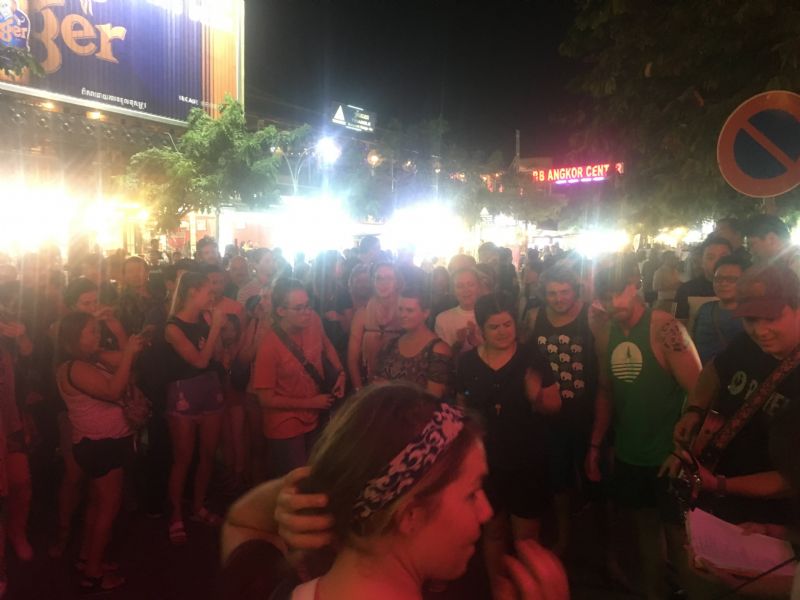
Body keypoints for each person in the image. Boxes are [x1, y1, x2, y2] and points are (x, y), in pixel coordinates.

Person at [221, 383, 569, 600]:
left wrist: (301, 493)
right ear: (410, 515)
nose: (487, 511)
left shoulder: (269, 588)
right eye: (472, 493)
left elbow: (242, 523)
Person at [586, 256, 701, 600]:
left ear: (635, 285)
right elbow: (605, 391)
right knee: (647, 539)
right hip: (631, 454)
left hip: (668, 457)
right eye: (604, 297)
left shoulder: (666, 328)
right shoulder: (605, 332)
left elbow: (700, 395)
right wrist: (595, 444)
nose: (612, 303)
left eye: (617, 293)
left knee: (683, 545)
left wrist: (682, 452)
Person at [455, 292, 561, 590]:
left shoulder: (532, 358)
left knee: (526, 539)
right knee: (493, 532)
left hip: (526, 460)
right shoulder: (468, 363)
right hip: (486, 463)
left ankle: (530, 592)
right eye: (494, 326)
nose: (503, 332)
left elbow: (556, 406)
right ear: (481, 328)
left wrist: (536, 397)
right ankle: (499, 589)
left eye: (507, 324)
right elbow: (461, 408)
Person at [55, 312, 145, 592]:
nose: (97, 336)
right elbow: (112, 390)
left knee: (96, 504)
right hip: (101, 445)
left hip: (103, 443)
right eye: (91, 331)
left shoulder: (91, 360)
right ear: (74, 337)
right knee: (108, 507)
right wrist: (128, 352)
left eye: (97, 330)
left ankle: (87, 556)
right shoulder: (74, 368)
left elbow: (128, 363)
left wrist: (120, 335)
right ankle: (93, 573)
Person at [522, 265, 601, 556]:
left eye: (564, 292)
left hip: (586, 413)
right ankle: (565, 538)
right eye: (552, 293)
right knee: (558, 481)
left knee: (595, 480)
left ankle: (601, 546)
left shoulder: (591, 316)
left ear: (574, 290)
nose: (558, 299)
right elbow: (525, 357)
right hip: (549, 416)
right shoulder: (534, 317)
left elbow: (603, 364)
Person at [252, 278, 345, 479]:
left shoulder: (314, 321)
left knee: (314, 473)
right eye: (299, 308)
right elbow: (265, 399)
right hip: (285, 423)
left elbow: (326, 344)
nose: (307, 312)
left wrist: (341, 373)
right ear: (281, 311)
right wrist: (311, 402)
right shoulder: (269, 346)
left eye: (308, 306)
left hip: (314, 415)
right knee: (297, 481)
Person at [163, 271, 226, 544]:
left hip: (210, 386)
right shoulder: (173, 327)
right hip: (184, 391)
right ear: (191, 292)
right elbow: (199, 361)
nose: (212, 295)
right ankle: (176, 514)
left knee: (208, 453)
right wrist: (214, 329)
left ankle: (198, 506)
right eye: (207, 291)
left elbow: (218, 354)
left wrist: (215, 328)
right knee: (183, 458)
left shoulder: (205, 318)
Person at [0, 297, 34, 571]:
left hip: (10, 420)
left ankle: (17, 532)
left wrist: (21, 335)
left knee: (21, 483)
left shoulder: (5, 319)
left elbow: (27, 351)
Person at [374, 285, 452, 398]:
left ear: (426, 313)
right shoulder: (390, 344)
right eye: (400, 309)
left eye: (409, 310)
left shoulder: (437, 350)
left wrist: (390, 389)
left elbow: (433, 399)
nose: (403, 315)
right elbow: (377, 383)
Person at [347, 263, 403, 390]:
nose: (383, 283)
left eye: (388, 278)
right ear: (373, 282)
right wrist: (359, 391)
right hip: (368, 386)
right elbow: (352, 359)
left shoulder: (405, 312)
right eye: (379, 278)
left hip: (400, 386)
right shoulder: (362, 314)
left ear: (397, 282)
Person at [691, 255, 749, 365]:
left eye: (731, 279)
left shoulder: (752, 314)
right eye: (718, 279)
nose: (723, 283)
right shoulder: (704, 309)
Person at [674, 237, 732, 322]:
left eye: (724, 257)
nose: (718, 262)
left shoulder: (743, 289)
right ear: (701, 262)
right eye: (711, 258)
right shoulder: (686, 290)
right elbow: (679, 326)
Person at [434, 268, 484, 355]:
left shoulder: (490, 315)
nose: (466, 290)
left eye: (471, 284)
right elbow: (442, 357)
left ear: (479, 287)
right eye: (460, 286)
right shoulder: (442, 319)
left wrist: (475, 341)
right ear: (453, 290)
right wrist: (458, 343)